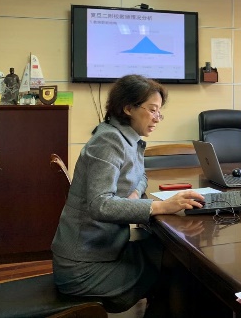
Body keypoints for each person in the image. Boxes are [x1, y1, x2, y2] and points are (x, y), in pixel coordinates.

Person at [51, 74, 204, 317]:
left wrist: (132, 194)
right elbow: (100, 205)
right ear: (128, 108)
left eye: (159, 112)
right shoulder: (109, 141)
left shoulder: (128, 139)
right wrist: (161, 207)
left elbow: (141, 176)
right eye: (152, 110)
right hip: (85, 268)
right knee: (182, 270)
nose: (157, 118)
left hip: (104, 250)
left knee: (172, 256)